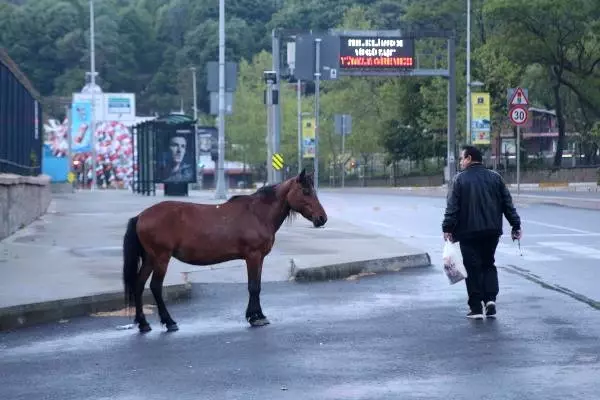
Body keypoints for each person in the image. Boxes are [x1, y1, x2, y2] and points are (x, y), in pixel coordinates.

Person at [442, 145, 522, 320]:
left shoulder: (459, 180)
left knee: (472, 267)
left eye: (462, 158)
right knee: (488, 264)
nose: (461, 162)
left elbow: (452, 208)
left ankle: (476, 307)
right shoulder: (495, 178)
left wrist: (447, 228)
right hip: (492, 231)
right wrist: (516, 226)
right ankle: (491, 300)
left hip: (468, 233)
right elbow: (507, 205)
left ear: (469, 158)